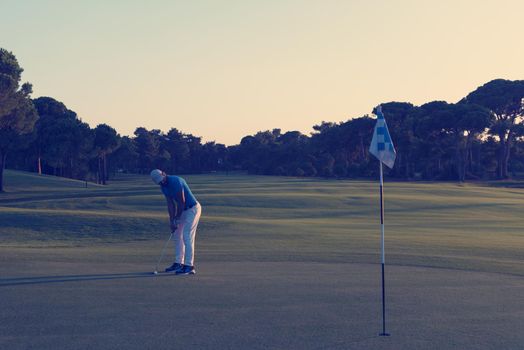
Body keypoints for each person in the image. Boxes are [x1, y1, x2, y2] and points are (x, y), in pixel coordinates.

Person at [150, 169, 201, 275]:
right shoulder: (163, 187)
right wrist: (172, 221)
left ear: (163, 173)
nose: (162, 182)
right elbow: (170, 204)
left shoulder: (176, 181)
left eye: (161, 179)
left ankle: (189, 266)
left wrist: (177, 218)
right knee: (177, 235)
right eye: (159, 182)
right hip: (183, 210)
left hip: (192, 209)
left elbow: (181, 202)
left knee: (187, 236)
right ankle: (179, 263)